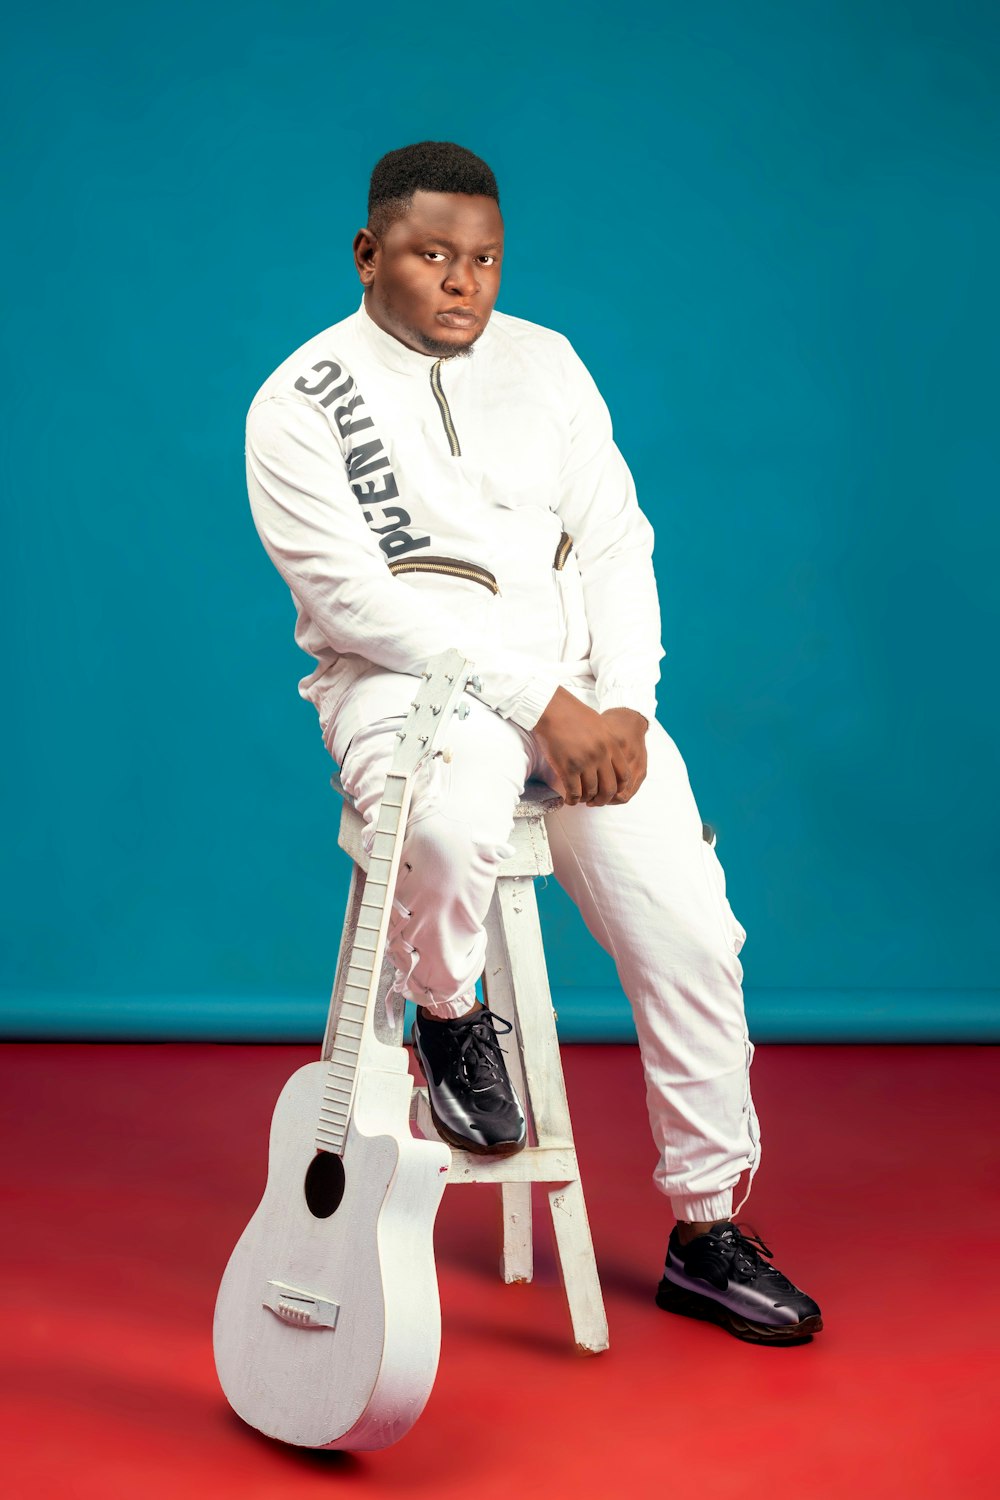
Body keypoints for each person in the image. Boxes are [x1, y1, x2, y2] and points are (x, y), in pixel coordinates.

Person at [244, 141, 823, 1346]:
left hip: (580, 698)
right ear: (369, 253)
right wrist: (536, 702)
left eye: (484, 259)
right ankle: (450, 1012)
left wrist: (624, 703)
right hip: (408, 692)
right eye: (433, 256)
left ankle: (706, 1228)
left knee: (695, 934)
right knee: (449, 825)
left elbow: (616, 541)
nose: (464, 283)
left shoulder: (547, 364)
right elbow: (360, 603)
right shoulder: (299, 402)